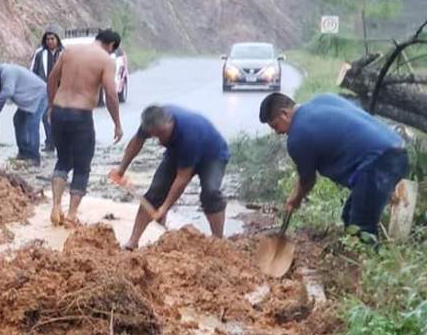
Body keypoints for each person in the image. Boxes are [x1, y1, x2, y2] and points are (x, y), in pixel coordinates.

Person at [259, 92, 408, 239]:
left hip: (378, 164)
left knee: (360, 227)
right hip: (396, 147)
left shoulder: (297, 136)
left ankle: (374, 261)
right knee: (349, 217)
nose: (277, 132)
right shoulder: (323, 99)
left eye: (275, 126)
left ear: (284, 113)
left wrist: (295, 199)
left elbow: (307, 179)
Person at [112, 105, 230, 250]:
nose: (160, 140)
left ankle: (218, 243)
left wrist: (164, 208)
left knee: (210, 193)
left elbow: (182, 179)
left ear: (170, 122)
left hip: (212, 155)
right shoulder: (153, 119)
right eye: (155, 136)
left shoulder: (188, 133)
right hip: (177, 151)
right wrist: (121, 169)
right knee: (155, 192)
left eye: (162, 134)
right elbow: (137, 141)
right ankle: (133, 241)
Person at [46, 29, 124, 226]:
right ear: (112, 46)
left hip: (59, 111)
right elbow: (111, 94)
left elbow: (52, 79)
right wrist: (117, 123)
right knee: (82, 166)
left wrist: (51, 105)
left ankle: (56, 206)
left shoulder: (69, 51)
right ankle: (71, 215)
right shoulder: (106, 60)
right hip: (80, 115)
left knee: (62, 160)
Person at [0, 60, 47, 165]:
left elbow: (8, 92)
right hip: (28, 100)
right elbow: (1, 99)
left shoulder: (8, 72)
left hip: (39, 95)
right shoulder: (1, 77)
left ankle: (34, 157)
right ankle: (23, 153)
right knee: (18, 120)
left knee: (31, 124)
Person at [29, 27, 64, 152]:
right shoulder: (40, 54)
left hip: (61, 90)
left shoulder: (64, 53)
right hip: (44, 90)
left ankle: (60, 142)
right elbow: (33, 72)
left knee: (60, 116)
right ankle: (50, 142)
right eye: (48, 39)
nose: (50, 41)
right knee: (45, 116)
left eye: (52, 38)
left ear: (57, 39)